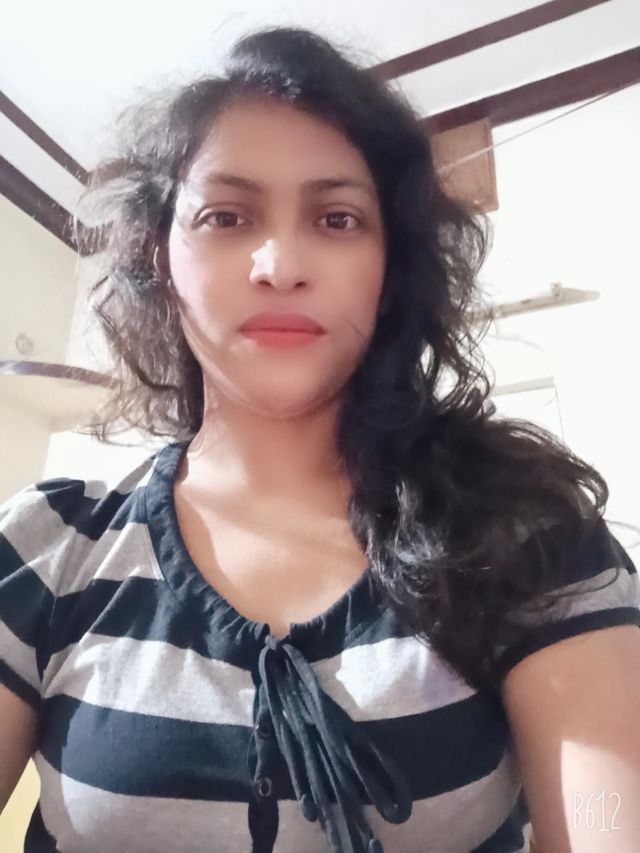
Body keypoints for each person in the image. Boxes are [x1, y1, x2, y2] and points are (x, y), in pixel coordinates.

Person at [1, 25, 639, 853]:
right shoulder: (46, 547)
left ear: (389, 269)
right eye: (226, 216)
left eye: (337, 219)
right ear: (161, 257)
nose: (279, 262)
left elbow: (607, 824)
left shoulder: (529, 534)